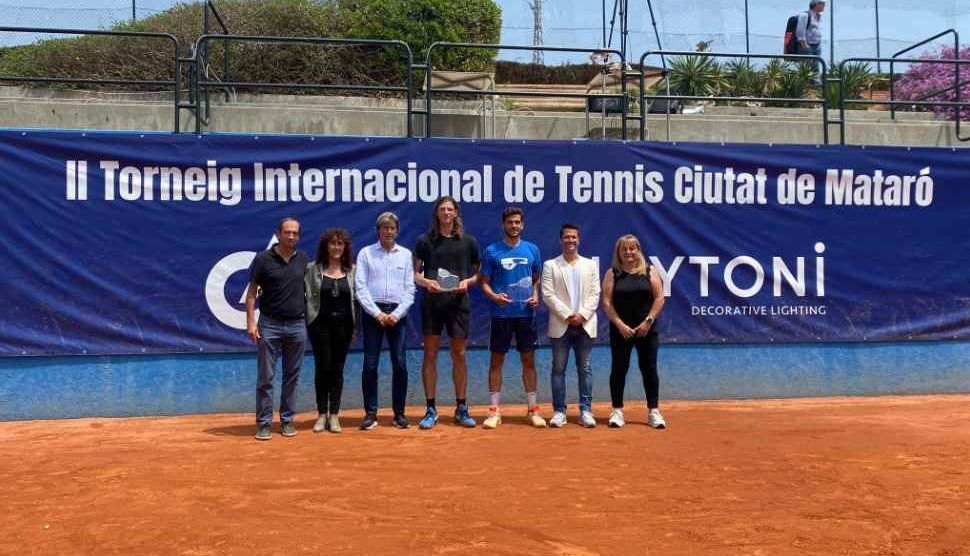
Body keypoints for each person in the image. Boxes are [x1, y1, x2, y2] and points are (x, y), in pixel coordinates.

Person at [413, 196, 480, 429]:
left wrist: (467, 283)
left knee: (459, 355)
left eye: (449, 209)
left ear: (456, 213)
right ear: (436, 214)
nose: (446, 212)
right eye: (442, 209)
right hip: (432, 306)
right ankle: (431, 408)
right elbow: (414, 275)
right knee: (430, 354)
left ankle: (461, 407)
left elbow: (479, 275)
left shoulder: (468, 242)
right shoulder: (424, 241)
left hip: (458, 305)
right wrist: (426, 283)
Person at [479, 207, 545, 429]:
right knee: (496, 361)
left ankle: (533, 410)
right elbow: (484, 282)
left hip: (526, 315)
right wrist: (495, 297)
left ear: (522, 225)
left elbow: (536, 279)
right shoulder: (491, 251)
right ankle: (494, 411)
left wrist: (536, 295)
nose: (514, 226)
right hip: (501, 315)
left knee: (529, 361)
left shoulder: (532, 250)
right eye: (510, 222)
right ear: (503, 225)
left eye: (517, 222)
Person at [246, 218, 309, 441]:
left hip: (297, 325)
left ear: (298, 237)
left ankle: (287, 420)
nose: (291, 236)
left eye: (295, 233)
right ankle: (263, 423)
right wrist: (251, 323)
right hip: (269, 325)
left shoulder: (303, 259)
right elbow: (252, 293)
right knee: (266, 378)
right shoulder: (263, 259)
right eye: (287, 232)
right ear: (278, 234)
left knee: (292, 377)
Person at [354, 212, 415, 430]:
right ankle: (370, 413)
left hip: (398, 314)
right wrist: (377, 313)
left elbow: (410, 289)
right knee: (370, 364)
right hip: (373, 316)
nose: (389, 232)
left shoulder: (406, 255)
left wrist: (396, 314)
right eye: (385, 228)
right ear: (378, 230)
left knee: (400, 363)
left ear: (397, 230)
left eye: (392, 228)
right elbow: (360, 287)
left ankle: (399, 414)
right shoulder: (366, 254)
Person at [601, 234, 667, 429]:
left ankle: (654, 412)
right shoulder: (612, 273)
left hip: (647, 330)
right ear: (619, 253)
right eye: (625, 249)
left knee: (649, 369)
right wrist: (620, 324)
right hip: (621, 330)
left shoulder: (650, 271)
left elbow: (659, 298)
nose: (629, 252)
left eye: (632, 248)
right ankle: (617, 411)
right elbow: (606, 302)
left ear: (638, 250)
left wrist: (648, 321)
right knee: (619, 369)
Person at [540, 223, 600, 428]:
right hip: (560, 325)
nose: (570, 241)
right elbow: (547, 294)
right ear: (561, 240)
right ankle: (559, 411)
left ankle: (586, 411)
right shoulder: (550, 265)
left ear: (579, 239)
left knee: (585, 369)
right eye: (567, 237)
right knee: (558, 369)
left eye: (574, 237)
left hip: (585, 325)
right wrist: (567, 315)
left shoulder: (590, 265)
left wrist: (582, 315)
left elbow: (595, 294)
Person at [305, 228, 356, 434]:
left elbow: (357, 301)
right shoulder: (312, 269)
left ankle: (334, 415)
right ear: (326, 246)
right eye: (332, 243)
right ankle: (320, 414)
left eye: (340, 244)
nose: (336, 247)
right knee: (322, 368)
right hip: (319, 327)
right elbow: (302, 295)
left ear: (345, 248)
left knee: (337, 369)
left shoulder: (353, 270)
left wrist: (354, 327)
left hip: (344, 328)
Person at [796, 0, 825, 83]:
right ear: (816, 5)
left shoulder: (818, 16)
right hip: (807, 46)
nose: (824, 6)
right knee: (806, 68)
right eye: (822, 4)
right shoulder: (805, 15)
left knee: (816, 67)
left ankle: (816, 89)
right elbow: (800, 32)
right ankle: (805, 87)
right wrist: (805, 46)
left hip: (816, 45)